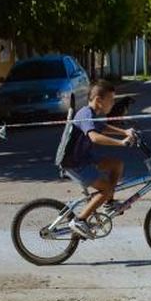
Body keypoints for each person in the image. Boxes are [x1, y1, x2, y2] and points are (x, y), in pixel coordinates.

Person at [59, 80, 137, 238]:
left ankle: (108, 203)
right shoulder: (86, 114)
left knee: (117, 164)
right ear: (99, 100)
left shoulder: (91, 113)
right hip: (75, 162)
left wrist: (124, 132)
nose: (113, 103)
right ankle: (80, 220)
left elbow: (103, 127)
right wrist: (121, 142)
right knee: (106, 188)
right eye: (111, 99)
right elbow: (94, 137)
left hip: (85, 157)